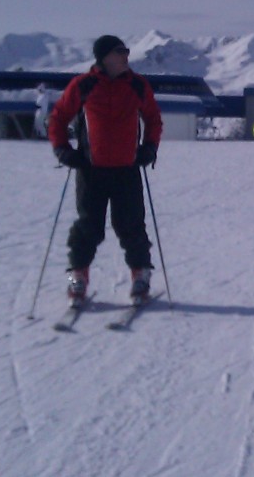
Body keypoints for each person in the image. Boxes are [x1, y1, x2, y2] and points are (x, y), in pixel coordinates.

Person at [48, 35, 163, 306]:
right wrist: (62, 150)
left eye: (126, 51)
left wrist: (149, 147)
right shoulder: (83, 85)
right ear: (104, 57)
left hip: (127, 169)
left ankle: (140, 274)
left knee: (131, 225)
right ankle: (78, 275)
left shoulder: (137, 85)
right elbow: (58, 118)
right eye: (119, 51)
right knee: (88, 226)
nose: (126, 56)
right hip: (91, 170)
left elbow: (153, 119)